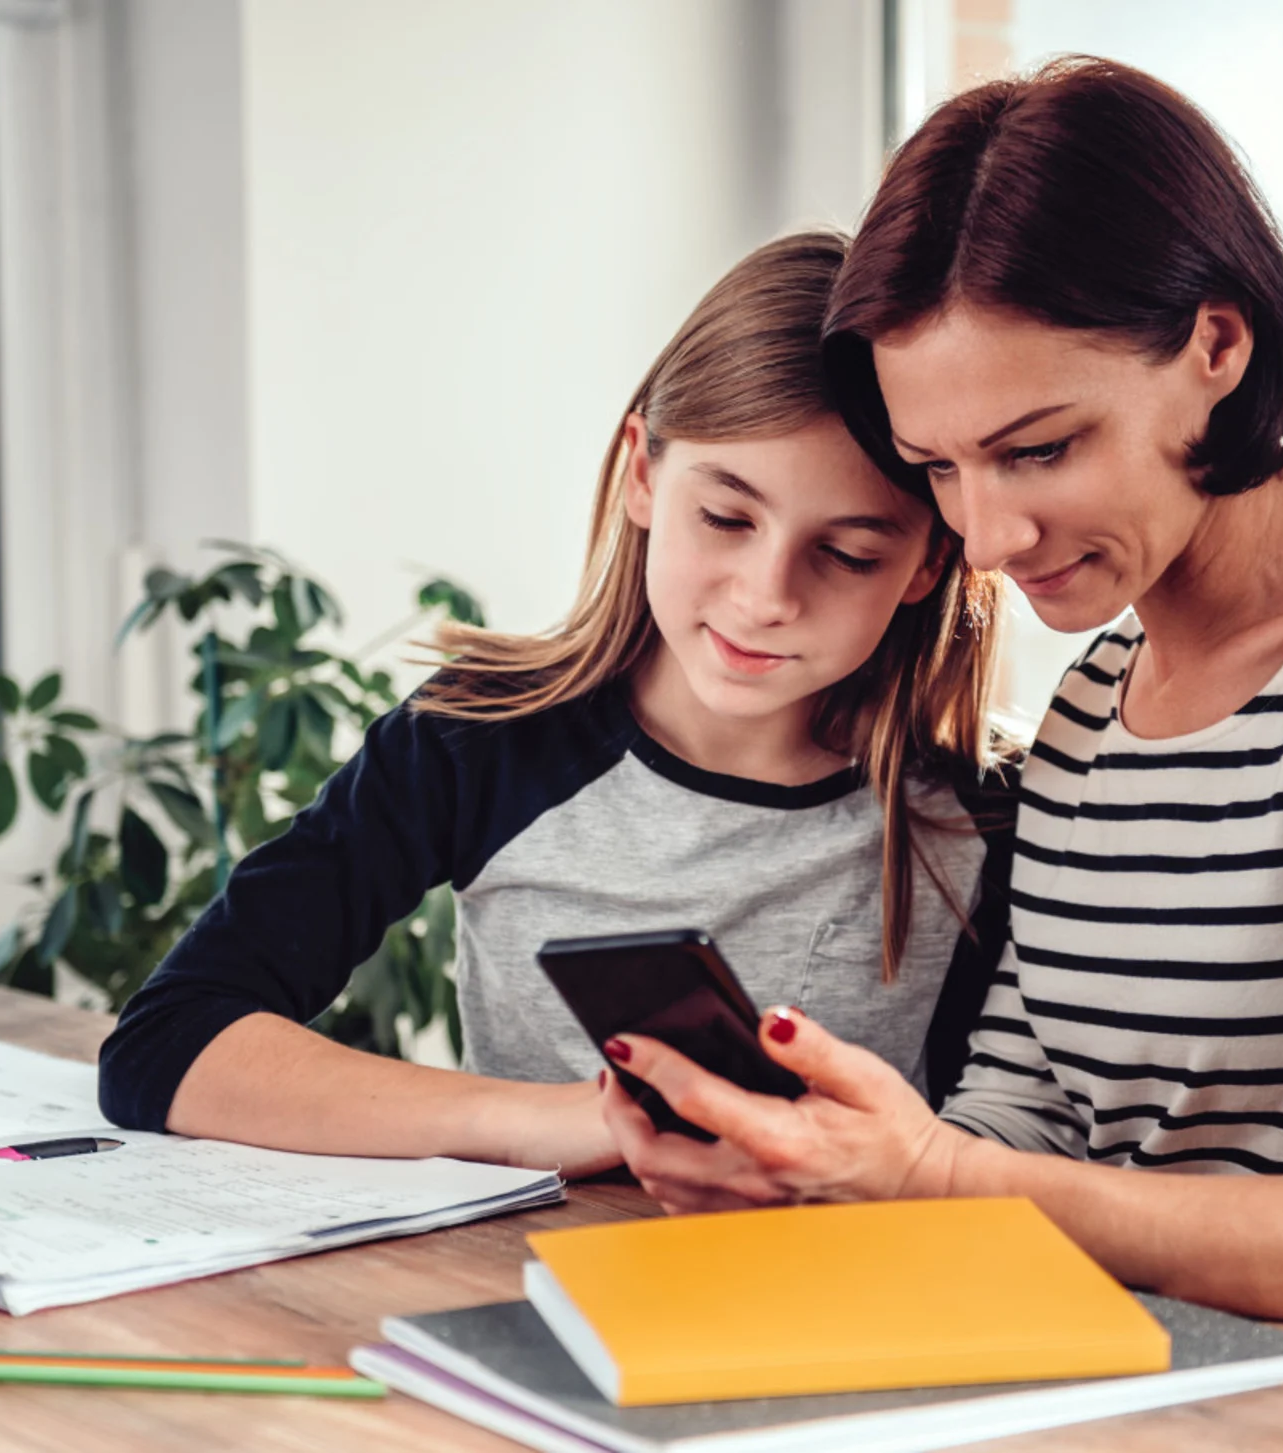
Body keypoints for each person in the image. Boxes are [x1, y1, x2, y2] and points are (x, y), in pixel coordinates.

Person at [600, 59, 1283, 1385]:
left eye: (1040, 449)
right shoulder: (1094, 712)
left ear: (1218, 346)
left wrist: (947, 1180)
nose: (982, 537)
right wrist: (829, 1181)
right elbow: (1020, 1132)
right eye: (938, 469)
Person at [97, 232, 1019, 1180]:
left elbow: (1011, 1149)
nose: (766, 594)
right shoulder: (476, 744)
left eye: (851, 553)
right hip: (536, 1290)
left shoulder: (993, 811)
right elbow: (166, 1043)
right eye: (728, 517)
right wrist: (564, 1121)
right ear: (646, 474)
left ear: (930, 562)